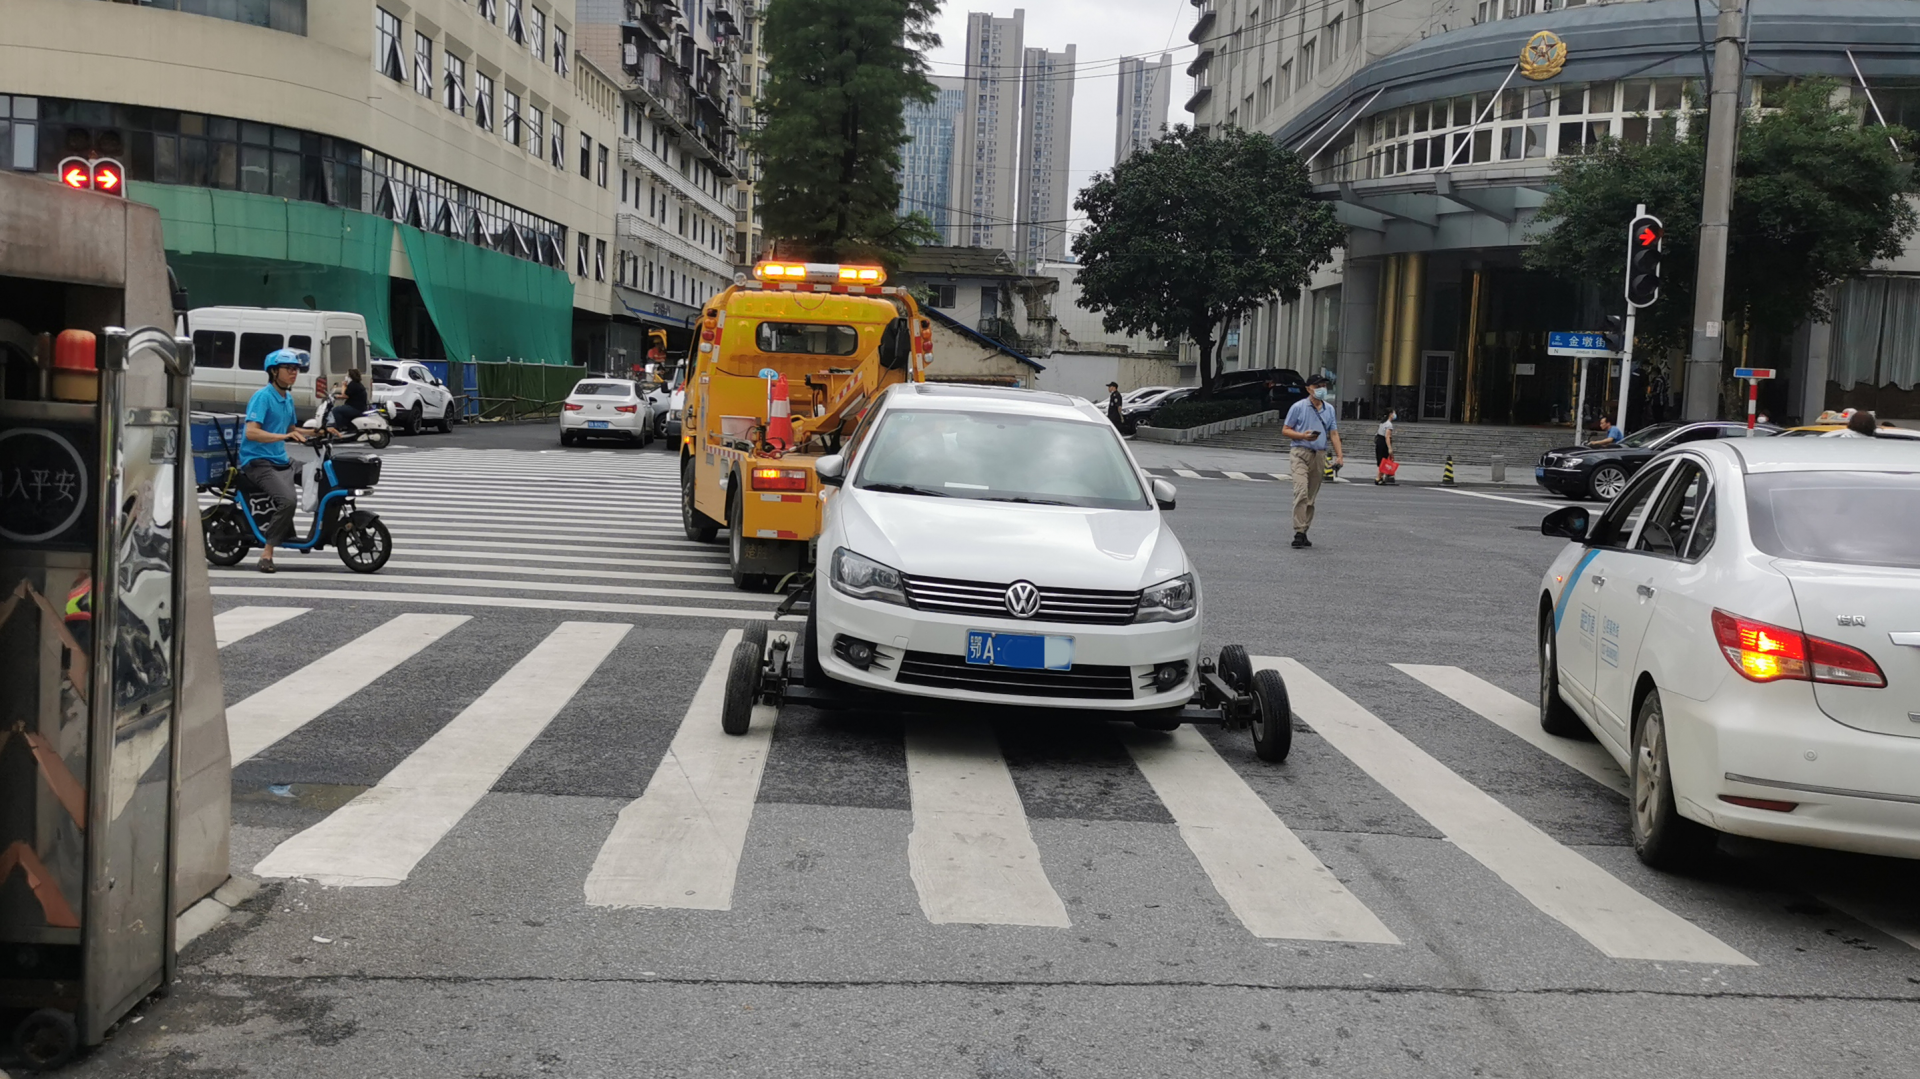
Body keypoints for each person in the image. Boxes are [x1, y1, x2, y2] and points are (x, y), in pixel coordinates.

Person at [240, 349, 311, 573]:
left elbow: (291, 429)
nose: (294, 372)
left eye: (296, 369)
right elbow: (252, 432)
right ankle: (267, 553)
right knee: (288, 500)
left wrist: (320, 431)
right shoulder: (263, 397)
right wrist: (285, 437)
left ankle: (306, 533)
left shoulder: (287, 397)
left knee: (319, 476)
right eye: (289, 368)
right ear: (273, 371)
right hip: (258, 461)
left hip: (280, 459)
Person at [1281, 374, 1342, 549]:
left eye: (1324, 385)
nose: (1321, 389)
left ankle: (1304, 530)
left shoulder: (1329, 409)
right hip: (1300, 452)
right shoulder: (1298, 407)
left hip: (1320, 454)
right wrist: (1302, 435)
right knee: (1301, 491)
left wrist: (1340, 455)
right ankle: (1298, 531)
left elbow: (1334, 433)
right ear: (1308, 389)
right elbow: (1286, 430)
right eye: (1317, 386)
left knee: (1310, 496)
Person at [330, 367, 369, 432]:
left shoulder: (353, 384)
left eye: (347, 375)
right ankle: (347, 427)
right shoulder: (356, 384)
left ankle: (340, 428)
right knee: (343, 410)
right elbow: (347, 395)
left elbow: (344, 394)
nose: (346, 377)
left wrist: (343, 385)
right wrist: (336, 396)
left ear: (351, 376)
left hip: (356, 408)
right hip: (357, 406)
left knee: (336, 410)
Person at [1374, 409, 1396, 485]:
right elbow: (1387, 436)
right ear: (1390, 414)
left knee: (1380, 461)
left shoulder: (1382, 423)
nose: (1395, 415)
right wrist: (1390, 448)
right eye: (1394, 413)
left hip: (1379, 442)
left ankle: (1380, 477)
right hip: (1383, 443)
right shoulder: (1389, 424)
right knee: (1384, 461)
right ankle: (1378, 478)